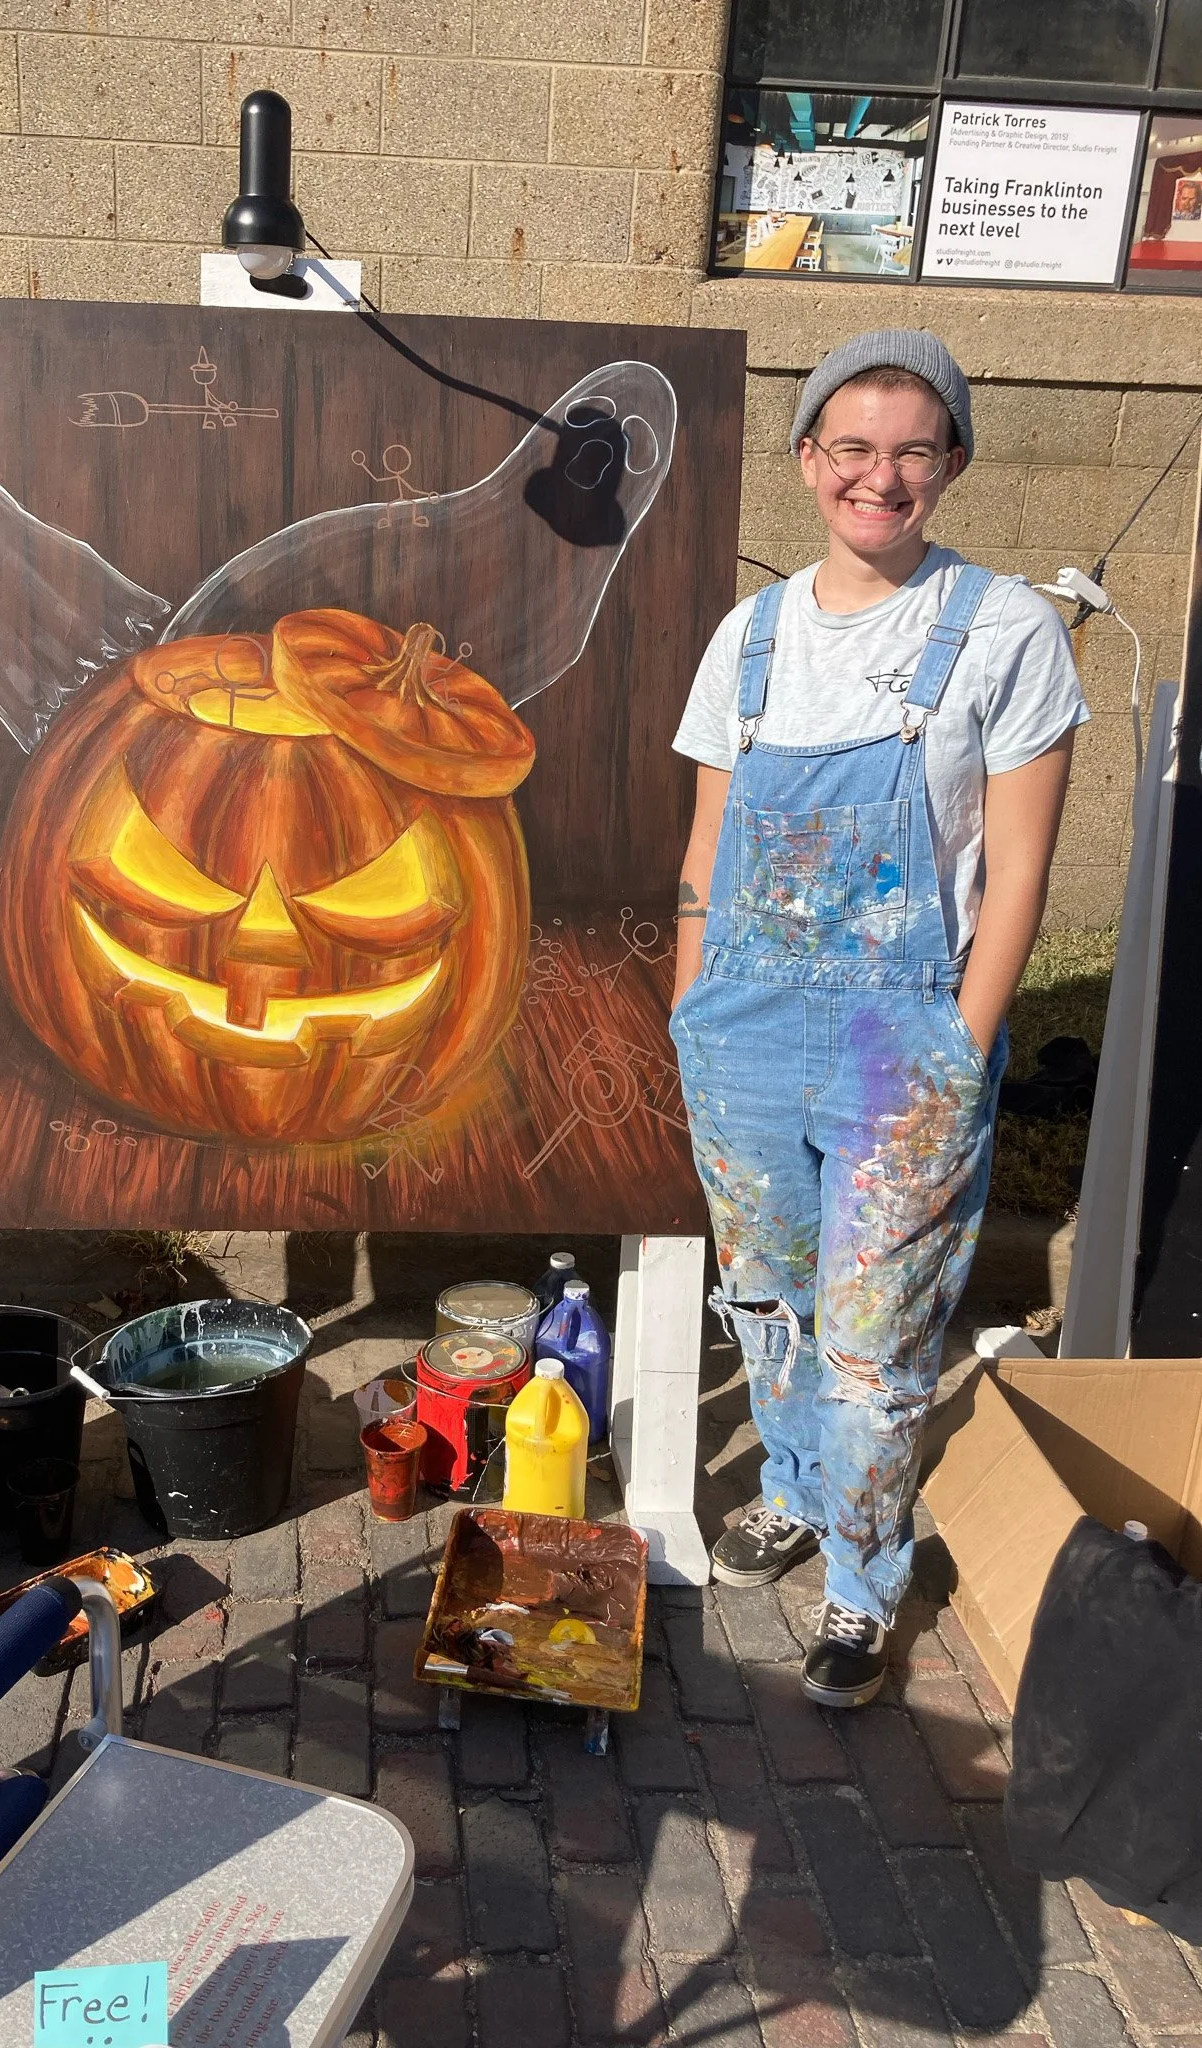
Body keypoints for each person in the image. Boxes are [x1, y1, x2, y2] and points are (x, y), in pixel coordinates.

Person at [669, 329, 1088, 1708]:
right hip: (739, 1027)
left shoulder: (1005, 630)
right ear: (809, 461)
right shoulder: (755, 634)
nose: (881, 475)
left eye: (914, 448)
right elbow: (711, 839)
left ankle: (862, 1579)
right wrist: (689, 1010)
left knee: (879, 1336)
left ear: (952, 462)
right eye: (853, 446)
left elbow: (1020, 865)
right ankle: (792, 1486)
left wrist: (963, 1040)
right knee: (771, 1299)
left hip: (893, 1039)